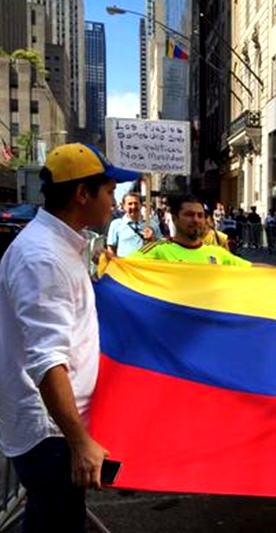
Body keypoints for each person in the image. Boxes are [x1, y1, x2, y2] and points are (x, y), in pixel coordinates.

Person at [0, 142, 139, 531]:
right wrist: (79, 442)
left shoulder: (59, 247)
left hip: (56, 429)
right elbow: (47, 360)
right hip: (51, 434)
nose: (115, 200)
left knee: (45, 521)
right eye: (110, 191)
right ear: (82, 193)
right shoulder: (43, 258)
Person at [129, 195, 252, 266]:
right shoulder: (157, 250)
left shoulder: (218, 253)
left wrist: (271, 273)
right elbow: (121, 266)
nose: (196, 220)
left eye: (200, 215)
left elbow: (253, 269)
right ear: (174, 218)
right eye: (189, 215)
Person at [106, 192, 162, 257]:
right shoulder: (116, 224)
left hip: (145, 265)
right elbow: (111, 249)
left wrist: (153, 239)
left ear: (141, 205)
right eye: (130, 204)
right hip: (125, 265)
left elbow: (161, 246)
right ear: (124, 206)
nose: (133, 206)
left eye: (136, 203)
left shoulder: (152, 224)